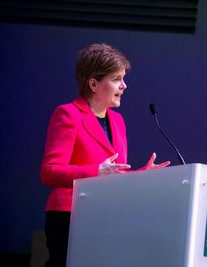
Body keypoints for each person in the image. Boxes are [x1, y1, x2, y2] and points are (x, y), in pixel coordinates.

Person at [40, 43, 171, 267]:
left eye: (123, 78)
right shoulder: (68, 114)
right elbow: (50, 172)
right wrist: (95, 172)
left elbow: (113, 176)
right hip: (70, 216)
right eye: (117, 79)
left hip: (107, 216)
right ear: (93, 84)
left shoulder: (118, 121)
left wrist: (143, 175)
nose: (124, 85)